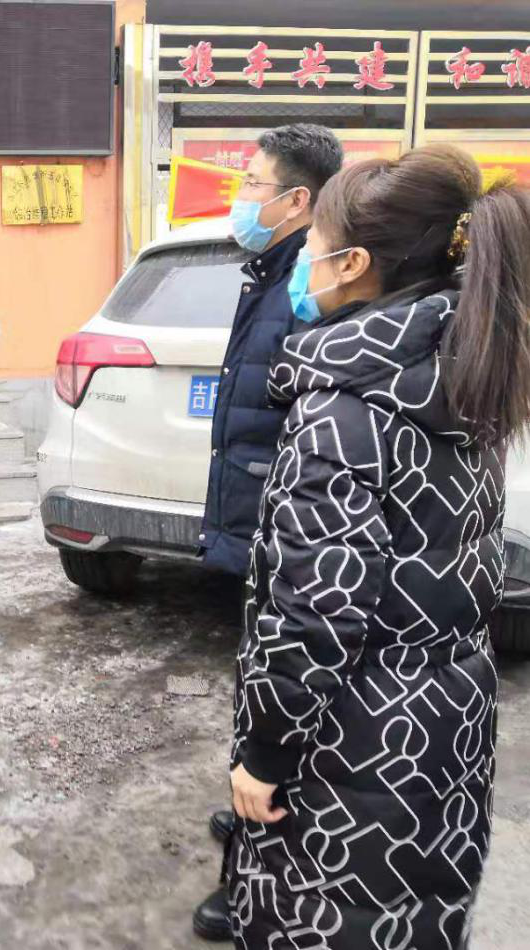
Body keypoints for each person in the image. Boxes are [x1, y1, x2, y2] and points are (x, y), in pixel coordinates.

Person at [226, 144, 523, 946]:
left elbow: (315, 618)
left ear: (351, 264)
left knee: (324, 921)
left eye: (314, 245)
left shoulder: (340, 414)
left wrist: (263, 754)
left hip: (353, 743)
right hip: (448, 717)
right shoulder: (465, 370)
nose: (303, 262)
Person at [191, 123, 343, 942]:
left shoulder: (308, 284)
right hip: (259, 509)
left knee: (280, 695)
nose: (239, 198)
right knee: (258, 685)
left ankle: (257, 877)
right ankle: (255, 816)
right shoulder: (272, 270)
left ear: (296, 200)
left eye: (251, 184)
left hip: (289, 524)